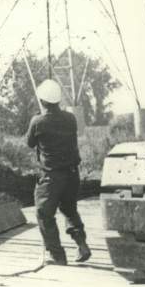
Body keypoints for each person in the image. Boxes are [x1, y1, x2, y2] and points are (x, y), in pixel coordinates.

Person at [25, 78, 90, 266]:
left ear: (43, 101)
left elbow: (30, 143)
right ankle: (82, 244)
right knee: (69, 209)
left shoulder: (38, 121)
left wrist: (39, 116)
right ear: (58, 100)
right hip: (72, 174)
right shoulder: (71, 118)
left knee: (44, 213)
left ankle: (57, 255)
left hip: (52, 176)